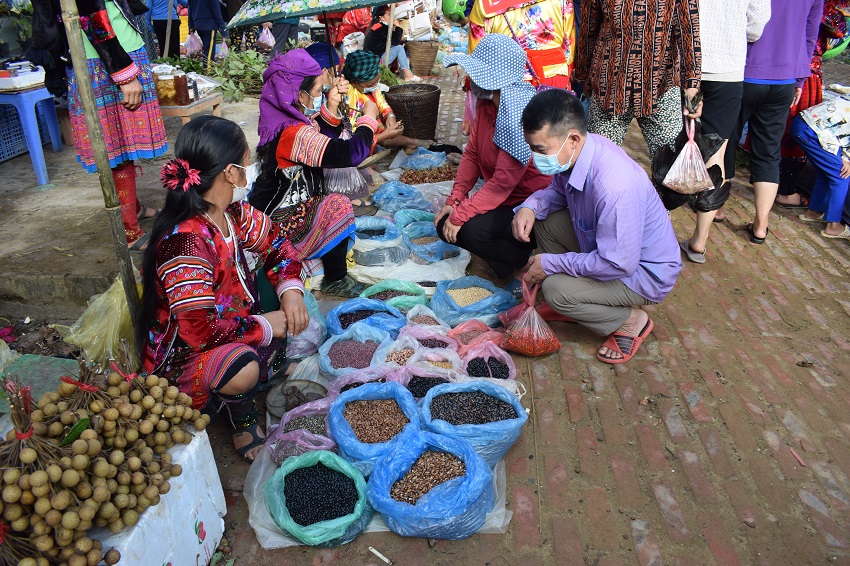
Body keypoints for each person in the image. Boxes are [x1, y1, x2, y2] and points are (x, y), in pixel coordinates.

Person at [137, 116, 308, 461]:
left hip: (229, 323)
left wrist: (290, 292)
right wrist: (264, 326)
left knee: (284, 289)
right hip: (186, 356)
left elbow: (280, 247)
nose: (250, 168)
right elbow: (198, 332)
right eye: (246, 162)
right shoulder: (185, 245)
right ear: (229, 173)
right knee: (243, 368)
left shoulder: (232, 212)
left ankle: (264, 358)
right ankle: (241, 417)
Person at [513, 89, 682, 364]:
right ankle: (581, 302)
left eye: (540, 150)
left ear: (573, 139)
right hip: (609, 246)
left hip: (642, 272)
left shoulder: (614, 186)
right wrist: (530, 206)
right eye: (532, 148)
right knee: (544, 221)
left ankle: (631, 320)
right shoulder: (580, 151)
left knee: (556, 290)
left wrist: (553, 264)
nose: (535, 157)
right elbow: (558, 192)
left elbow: (618, 264)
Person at [249, 49, 376, 298]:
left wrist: (330, 105)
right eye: (318, 91)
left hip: (280, 209)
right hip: (276, 221)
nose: (320, 95)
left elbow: (319, 138)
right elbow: (350, 153)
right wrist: (368, 121)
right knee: (337, 205)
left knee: (331, 201)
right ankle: (335, 279)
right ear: (300, 94)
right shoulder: (292, 133)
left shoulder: (286, 121)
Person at [46, 0, 168, 250]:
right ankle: (128, 230)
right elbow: (91, 18)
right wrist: (123, 73)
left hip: (120, 51)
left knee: (125, 144)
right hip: (103, 59)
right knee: (118, 148)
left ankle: (131, 207)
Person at [435, 34, 550, 287]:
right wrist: (454, 200)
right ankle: (504, 260)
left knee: (471, 230)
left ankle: (521, 261)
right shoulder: (488, 104)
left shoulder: (517, 116)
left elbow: (501, 184)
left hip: (529, 204)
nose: (470, 79)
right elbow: (473, 154)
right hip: (502, 199)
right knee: (444, 223)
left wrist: (461, 214)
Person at [721, 0, 823, 244]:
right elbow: (811, 36)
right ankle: (761, 224)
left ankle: (717, 208)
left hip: (743, 71)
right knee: (768, 153)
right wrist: (799, 80)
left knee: (726, 142)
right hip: (785, 77)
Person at [678, 0, 771, 263]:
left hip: (688, 70)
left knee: (678, 144)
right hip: (727, 72)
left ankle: (657, 232)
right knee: (715, 153)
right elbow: (756, 26)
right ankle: (699, 240)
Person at [574, 0, 702, 159]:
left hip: (661, 85)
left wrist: (692, 84)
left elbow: (689, 30)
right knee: (598, 161)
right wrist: (584, 73)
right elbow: (588, 28)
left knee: (671, 166)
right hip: (609, 88)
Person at [775, 0, 850, 209]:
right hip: (804, 72)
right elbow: (838, 30)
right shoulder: (824, 7)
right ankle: (785, 191)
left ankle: (767, 181)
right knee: (796, 133)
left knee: (774, 127)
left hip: (778, 66)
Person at [467, 0, 575, 89]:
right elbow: (568, 46)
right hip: (554, 80)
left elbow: (477, 57)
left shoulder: (483, 3)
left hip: (506, 84)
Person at [342, 50, 430, 151]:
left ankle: (411, 143)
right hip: (356, 143)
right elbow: (355, 138)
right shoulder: (348, 96)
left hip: (374, 132)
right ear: (355, 82)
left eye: (376, 82)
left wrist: (390, 116)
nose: (375, 86)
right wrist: (385, 135)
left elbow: (381, 102)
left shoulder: (371, 88)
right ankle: (410, 143)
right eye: (370, 85)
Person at [792, 96, 850, 240]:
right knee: (841, 176)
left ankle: (814, 211)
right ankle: (833, 225)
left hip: (802, 123)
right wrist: (846, 158)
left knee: (826, 171)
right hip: (814, 132)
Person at [364, 5, 421, 81]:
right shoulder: (381, 27)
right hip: (375, 63)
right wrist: (397, 26)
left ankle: (404, 72)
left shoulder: (377, 26)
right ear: (381, 18)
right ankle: (408, 75)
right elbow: (396, 42)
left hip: (372, 60)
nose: (392, 17)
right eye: (389, 14)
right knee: (399, 48)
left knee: (395, 47)